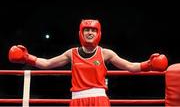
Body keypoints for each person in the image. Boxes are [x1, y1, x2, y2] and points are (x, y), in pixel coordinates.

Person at [8, 19, 168, 106]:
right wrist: (26, 58)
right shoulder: (71, 53)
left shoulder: (105, 53)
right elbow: (47, 64)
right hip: (77, 100)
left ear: (98, 33)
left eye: (93, 30)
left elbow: (130, 66)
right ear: (81, 32)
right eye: (86, 30)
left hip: (99, 99)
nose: (90, 32)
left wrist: (149, 64)